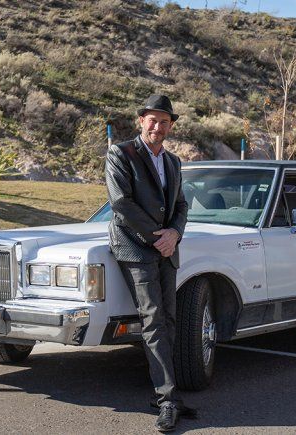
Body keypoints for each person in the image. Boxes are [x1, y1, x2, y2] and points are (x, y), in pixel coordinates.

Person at [105, 94, 191, 432]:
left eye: (164, 121)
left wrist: (175, 233)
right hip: (136, 247)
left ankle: (165, 393)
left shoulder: (173, 162)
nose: (157, 126)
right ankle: (167, 399)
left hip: (167, 248)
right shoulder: (121, 153)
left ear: (171, 126)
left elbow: (182, 205)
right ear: (141, 121)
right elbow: (121, 203)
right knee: (153, 317)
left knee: (169, 318)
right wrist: (160, 236)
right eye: (152, 120)